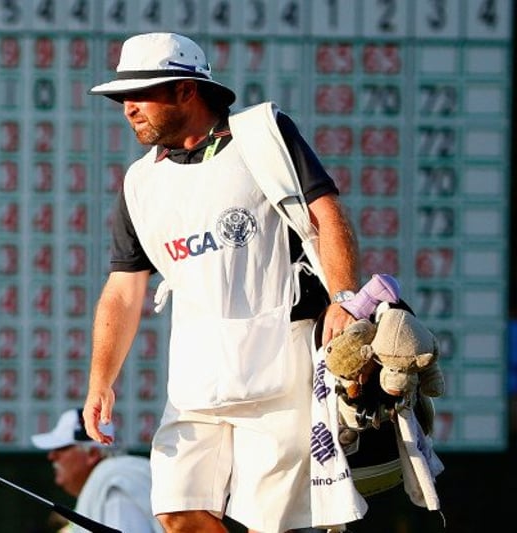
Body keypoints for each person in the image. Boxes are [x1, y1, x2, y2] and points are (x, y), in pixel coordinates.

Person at [79, 33, 363, 532]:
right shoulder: (140, 182)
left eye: (140, 93)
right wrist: (100, 380)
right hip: (195, 375)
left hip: (281, 364)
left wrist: (344, 300)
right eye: (122, 97)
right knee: (176, 511)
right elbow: (124, 287)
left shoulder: (262, 134)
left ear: (188, 90)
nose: (127, 108)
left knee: (272, 526)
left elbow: (328, 217)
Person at [32, 408, 161, 533]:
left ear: (92, 454)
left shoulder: (115, 485)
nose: (51, 456)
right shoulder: (106, 483)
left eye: (61, 448)